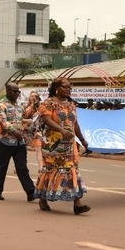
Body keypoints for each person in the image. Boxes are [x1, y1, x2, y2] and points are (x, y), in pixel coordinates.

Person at [34, 77, 91, 215]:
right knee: (50, 170)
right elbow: (46, 120)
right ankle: (43, 198)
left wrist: (82, 139)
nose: (68, 89)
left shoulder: (71, 104)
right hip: (52, 145)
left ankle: (77, 204)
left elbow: (75, 124)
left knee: (71, 170)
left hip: (69, 145)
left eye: (69, 87)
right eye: (65, 87)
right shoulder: (48, 103)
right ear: (56, 88)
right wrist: (61, 130)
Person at [0, 82, 36, 201]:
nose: (17, 93)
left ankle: (31, 192)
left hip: (19, 142)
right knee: (1, 167)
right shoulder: (1, 105)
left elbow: (22, 120)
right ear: (7, 91)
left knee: (22, 167)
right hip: (5, 141)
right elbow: (3, 121)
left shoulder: (20, 106)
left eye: (18, 91)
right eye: (14, 91)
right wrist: (14, 131)